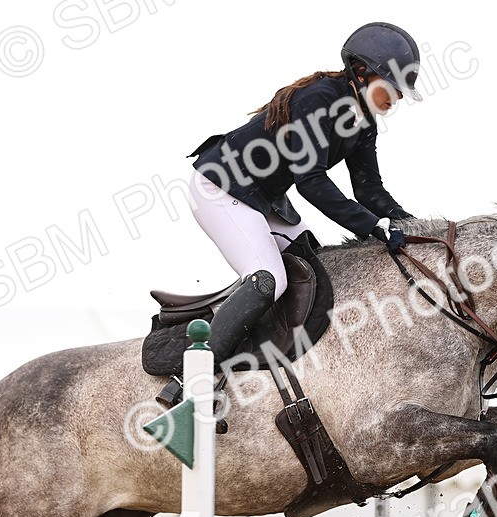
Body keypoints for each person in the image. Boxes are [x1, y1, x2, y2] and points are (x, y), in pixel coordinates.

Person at [159, 21, 421, 407]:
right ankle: (193, 375)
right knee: (269, 280)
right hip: (220, 187)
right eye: (392, 85)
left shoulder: (364, 124)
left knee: (315, 269)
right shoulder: (316, 100)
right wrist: (372, 227)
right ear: (362, 72)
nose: (397, 97)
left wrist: (411, 226)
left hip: (264, 198)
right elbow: (311, 182)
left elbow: (369, 190)